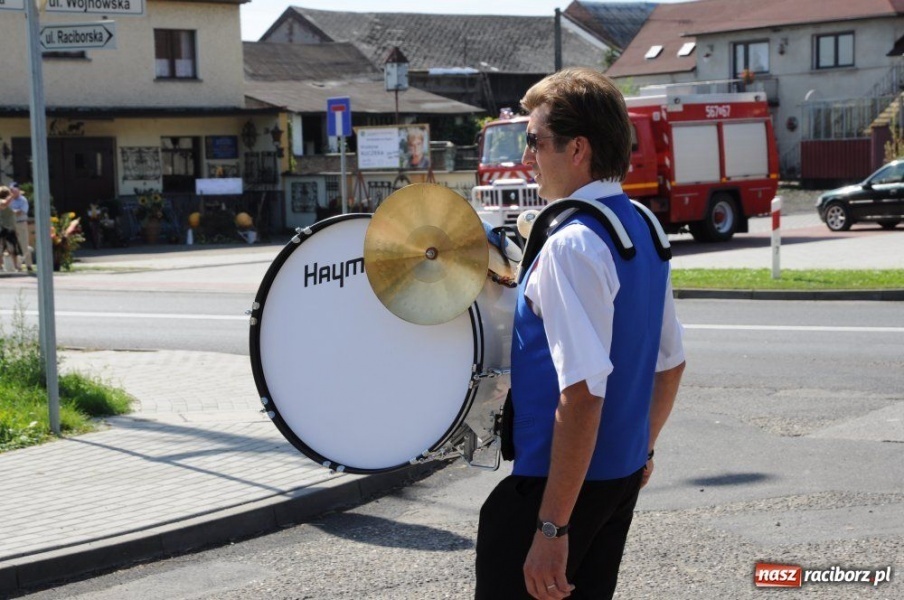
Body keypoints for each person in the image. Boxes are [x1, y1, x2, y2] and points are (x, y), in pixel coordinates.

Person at [474, 67, 686, 600]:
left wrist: (552, 528)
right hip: (619, 479)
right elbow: (671, 363)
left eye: (535, 141)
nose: (527, 157)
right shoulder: (643, 225)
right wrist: (642, 450)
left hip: (558, 490)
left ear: (577, 149)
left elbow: (584, 393)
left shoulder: (571, 244)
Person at [9, 182, 32, 272]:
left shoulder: (23, 200)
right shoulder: (9, 200)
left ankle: (28, 265)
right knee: (13, 245)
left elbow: (21, 212)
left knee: (24, 244)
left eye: (13, 190)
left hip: (21, 223)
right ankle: (18, 266)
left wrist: (11, 212)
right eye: (11, 190)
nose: (12, 192)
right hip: (12, 224)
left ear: (18, 190)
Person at [0, 185, 22, 273]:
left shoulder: (8, 204)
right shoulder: (1, 201)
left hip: (10, 228)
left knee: (13, 248)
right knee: (2, 247)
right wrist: (13, 195)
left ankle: (16, 267)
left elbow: (10, 214)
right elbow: (4, 204)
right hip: (2, 228)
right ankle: (1, 267)